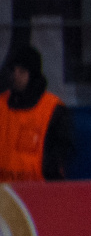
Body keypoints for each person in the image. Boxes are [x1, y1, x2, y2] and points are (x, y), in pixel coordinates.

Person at [0, 44, 74, 182]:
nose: (16, 76)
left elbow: (61, 150)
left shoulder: (53, 109)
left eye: (22, 71)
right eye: (13, 71)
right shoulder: (2, 105)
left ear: (32, 74)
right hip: (5, 189)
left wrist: (50, 170)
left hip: (40, 188)